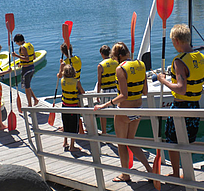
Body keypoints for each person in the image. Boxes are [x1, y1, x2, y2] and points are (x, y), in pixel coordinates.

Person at [157, 24, 204, 178]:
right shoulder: (200, 57)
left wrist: (163, 81)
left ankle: (175, 173)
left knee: (173, 142)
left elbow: (180, 88)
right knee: (187, 142)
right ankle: (188, 171)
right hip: (195, 106)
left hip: (180, 106)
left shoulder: (179, 61)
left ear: (176, 41)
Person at [94, 42, 152, 182]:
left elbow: (123, 95)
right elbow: (145, 91)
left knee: (121, 144)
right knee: (131, 142)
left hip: (124, 110)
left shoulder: (121, 69)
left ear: (118, 56)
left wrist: (106, 105)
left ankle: (125, 175)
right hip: (138, 109)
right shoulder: (141, 64)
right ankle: (150, 170)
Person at [59, 42, 85, 135]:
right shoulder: (78, 59)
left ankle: (76, 129)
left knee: (73, 111)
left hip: (70, 87)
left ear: (63, 51)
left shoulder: (64, 63)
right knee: (78, 110)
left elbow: (60, 76)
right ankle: (81, 130)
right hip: (78, 84)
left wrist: (61, 65)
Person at [58, 63, 82, 152]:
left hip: (64, 106)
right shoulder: (77, 82)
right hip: (73, 107)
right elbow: (82, 92)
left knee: (66, 125)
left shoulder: (62, 81)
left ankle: (65, 142)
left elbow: (59, 75)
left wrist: (61, 67)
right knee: (73, 128)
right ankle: (72, 146)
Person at [97, 45, 118, 134]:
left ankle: (104, 132)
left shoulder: (100, 65)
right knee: (117, 113)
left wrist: (98, 94)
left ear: (102, 54)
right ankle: (118, 132)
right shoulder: (117, 62)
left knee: (103, 112)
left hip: (106, 91)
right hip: (116, 90)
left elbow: (99, 81)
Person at [12, 34, 38, 106]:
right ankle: (35, 99)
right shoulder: (30, 45)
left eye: (16, 42)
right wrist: (21, 62)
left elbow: (26, 58)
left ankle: (29, 104)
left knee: (26, 88)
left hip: (26, 69)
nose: (16, 44)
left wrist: (16, 55)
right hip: (32, 67)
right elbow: (34, 57)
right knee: (28, 85)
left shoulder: (23, 47)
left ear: (19, 41)